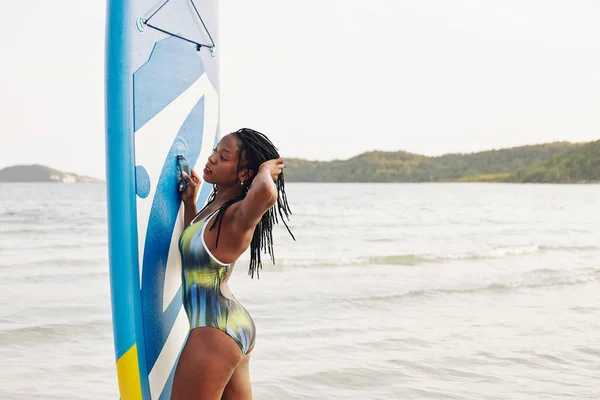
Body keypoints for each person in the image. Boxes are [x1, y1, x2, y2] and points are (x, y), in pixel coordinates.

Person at [171, 128, 294, 400]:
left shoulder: (237, 214)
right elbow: (196, 248)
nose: (212, 158)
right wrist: (190, 203)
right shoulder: (216, 207)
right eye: (215, 151)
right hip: (229, 325)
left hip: (214, 328)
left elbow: (264, 192)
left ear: (244, 173)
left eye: (223, 157)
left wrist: (264, 170)